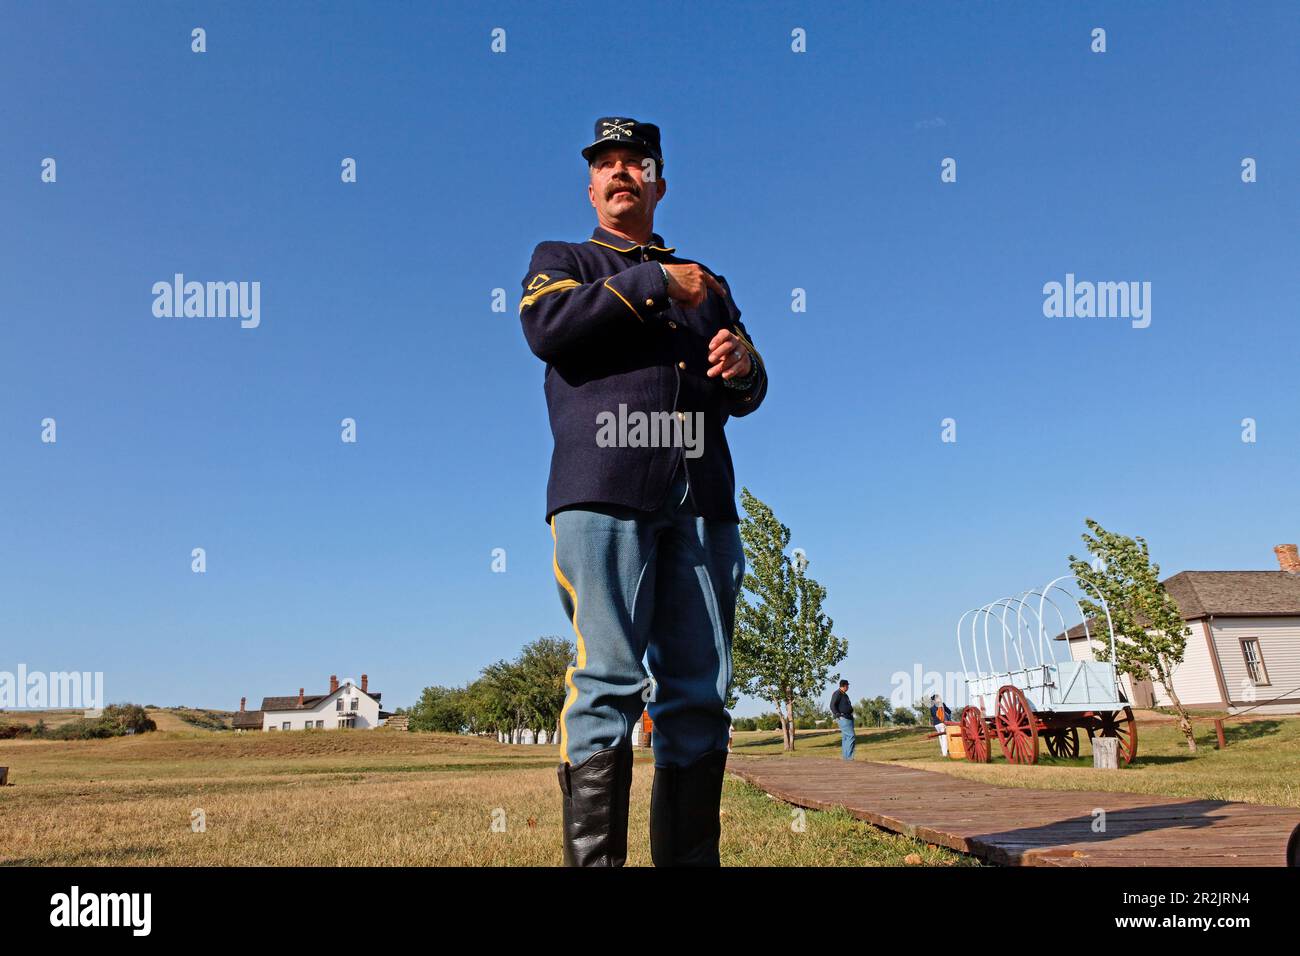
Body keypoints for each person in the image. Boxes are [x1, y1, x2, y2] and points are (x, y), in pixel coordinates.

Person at [519, 117, 768, 867]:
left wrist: (745, 362)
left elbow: (748, 392)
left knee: (699, 693)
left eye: (637, 163)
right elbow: (547, 326)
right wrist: (657, 282)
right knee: (608, 681)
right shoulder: (564, 259)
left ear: (659, 182)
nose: (622, 172)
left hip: (702, 497)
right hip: (604, 487)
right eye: (607, 164)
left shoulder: (710, 284)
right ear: (590, 186)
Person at [830, 679, 855, 760]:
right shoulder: (837, 693)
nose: (848, 687)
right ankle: (849, 758)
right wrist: (837, 715)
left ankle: (846, 758)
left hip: (848, 717)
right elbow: (832, 705)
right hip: (843, 718)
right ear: (844, 686)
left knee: (845, 738)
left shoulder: (844, 694)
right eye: (847, 685)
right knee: (851, 736)